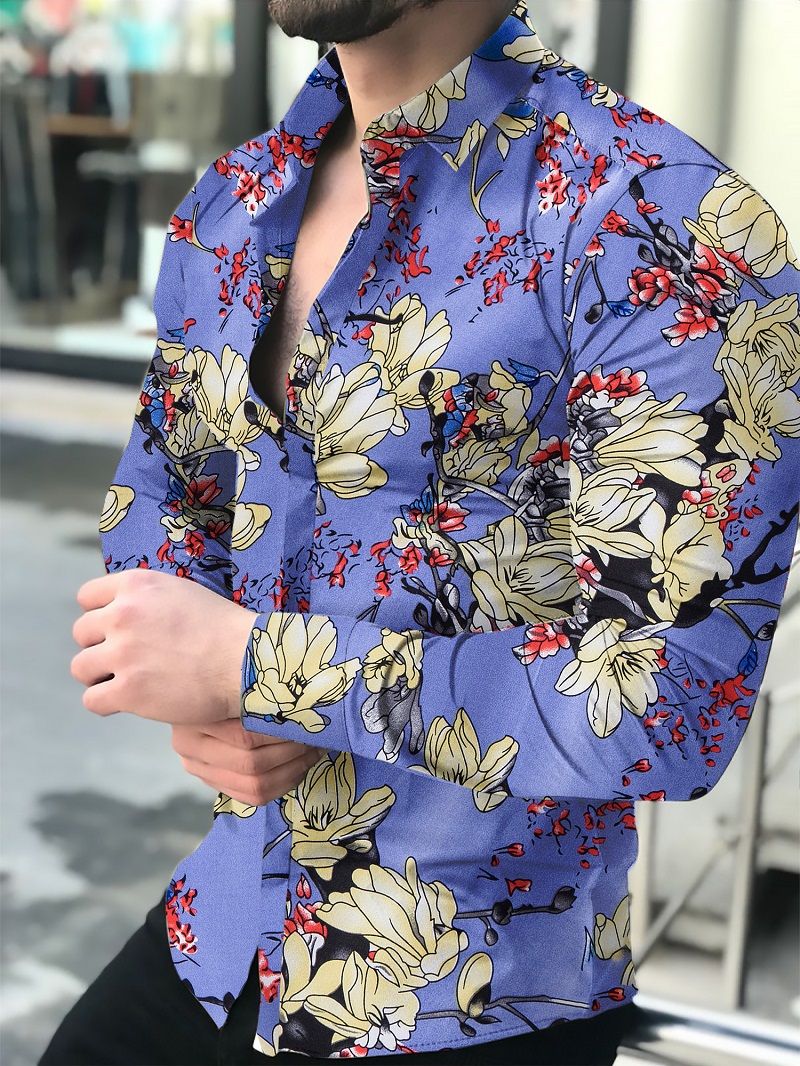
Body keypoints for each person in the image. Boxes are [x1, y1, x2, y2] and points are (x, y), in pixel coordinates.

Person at [44, 0, 800, 1062]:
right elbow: (163, 505)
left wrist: (261, 667)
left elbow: (667, 698)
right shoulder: (234, 200)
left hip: (471, 988)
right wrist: (198, 691)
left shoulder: (662, 220)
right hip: (229, 926)